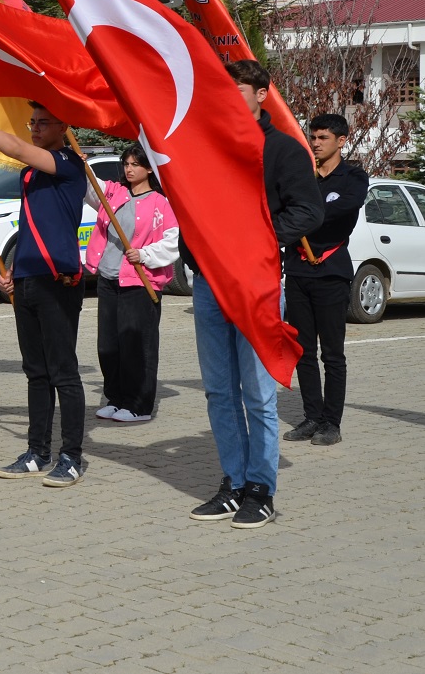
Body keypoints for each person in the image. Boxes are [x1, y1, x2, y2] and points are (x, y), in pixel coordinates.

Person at [187, 60, 323, 529]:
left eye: (237, 89)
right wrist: (197, 255)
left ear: (262, 94)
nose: (227, 97)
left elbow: (308, 212)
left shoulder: (283, 150)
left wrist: (255, 245)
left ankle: (261, 489)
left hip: (257, 284)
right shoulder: (205, 145)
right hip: (210, 285)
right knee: (219, 391)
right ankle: (233, 483)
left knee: (258, 396)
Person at [0, 100, 89, 487]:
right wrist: (12, 274)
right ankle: (37, 451)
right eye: (33, 122)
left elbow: (16, 147)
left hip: (60, 281)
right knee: (35, 372)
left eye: (44, 122)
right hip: (28, 280)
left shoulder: (72, 166)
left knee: (63, 372)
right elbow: (32, 226)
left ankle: (71, 456)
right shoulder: (29, 177)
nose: (35, 128)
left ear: (64, 127)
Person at [283, 113, 367, 447]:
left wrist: (307, 212)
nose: (315, 143)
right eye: (313, 137)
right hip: (299, 269)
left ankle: (331, 422)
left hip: (331, 271)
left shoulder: (353, 177)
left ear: (341, 141)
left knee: (332, 354)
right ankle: (311, 416)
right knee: (302, 350)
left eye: (322, 138)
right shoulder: (302, 176)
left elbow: (346, 207)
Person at [84, 145, 180, 424]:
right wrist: (82, 165)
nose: (129, 169)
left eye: (135, 164)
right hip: (108, 279)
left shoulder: (161, 203)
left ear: (149, 168)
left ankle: (139, 404)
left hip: (140, 282)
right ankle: (116, 398)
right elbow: (91, 187)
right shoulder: (113, 192)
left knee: (137, 345)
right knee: (108, 346)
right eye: (126, 163)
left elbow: (173, 241)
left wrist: (145, 255)